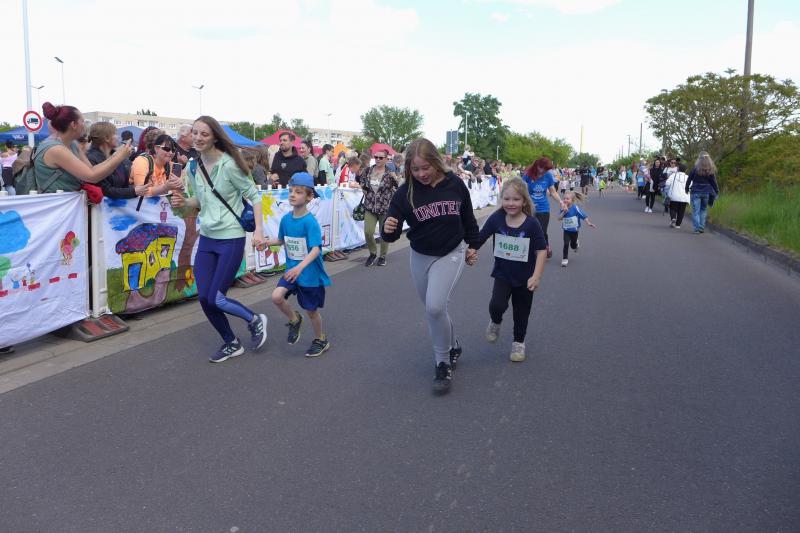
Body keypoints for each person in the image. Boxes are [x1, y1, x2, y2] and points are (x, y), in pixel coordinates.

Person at [382, 138, 479, 394]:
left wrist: (473, 245)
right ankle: (453, 345)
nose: (421, 174)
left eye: (426, 167)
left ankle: (442, 363)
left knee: (435, 307)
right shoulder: (406, 192)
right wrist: (388, 228)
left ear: (436, 162)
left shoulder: (455, 184)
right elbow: (391, 233)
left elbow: (468, 218)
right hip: (420, 255)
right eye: (415, 169)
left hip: (451, 252)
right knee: (435, 309)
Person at [170, 115, 267, 363]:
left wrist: (258, 231)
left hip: (231, 237)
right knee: (204, 298)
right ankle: (231, 342)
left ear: (214, 137)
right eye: (195, 133)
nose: (198, 138)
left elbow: (255, 196)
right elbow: (200, 201)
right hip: (207, 238)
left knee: (217, 297)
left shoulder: (229, 165)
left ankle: (254, 319)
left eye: (204, 134)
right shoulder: (193, 166)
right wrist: (183, 202)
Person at [466, 178, 547, 362]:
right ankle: (495, 321)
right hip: (502, 274)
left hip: (525, 278)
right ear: (501, 199)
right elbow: (481, 237)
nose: (511, 203)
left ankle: (519, 342)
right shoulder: (496, 218)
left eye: (516, 199)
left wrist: (536, 276)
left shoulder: (532, 224)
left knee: (521, 312)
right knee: (496, 305)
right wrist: (472, 250)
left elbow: (542, 250)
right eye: (507, 199)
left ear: (524, 201)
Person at [264, 172, 331, 357]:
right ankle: (294, 319)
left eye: (298, 192)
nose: (292, 195)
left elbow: (316, 249)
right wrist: (266, 242)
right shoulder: (286, 219)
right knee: (277, 297)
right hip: (291, 271)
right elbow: (281, 240)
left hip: (308, 274)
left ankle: (320, 339)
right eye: (291, 191)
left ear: (309, 197)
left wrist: (300, 267)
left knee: (311, 311)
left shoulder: (310, 222)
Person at [28, 102, 133, 193]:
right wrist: (119, 157)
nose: (84, 125)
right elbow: (92, 176)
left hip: (68, 205)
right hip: (56, 206)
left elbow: (91, 169)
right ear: (73, 124)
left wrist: (117, 155)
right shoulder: (55, 149)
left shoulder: (72, 144)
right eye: (82, 121)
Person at [357, 148, 399, 266]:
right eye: (376, 157)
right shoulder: (368, 171)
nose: (378, 159)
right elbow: (362, 182)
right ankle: (373, 253)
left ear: (386, 159)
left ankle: (382, 256)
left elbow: (397, 188)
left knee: (384, 233)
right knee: (368, 231)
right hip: (370, 206)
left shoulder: (390, 173)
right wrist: (365, 191)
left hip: (385, 207)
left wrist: (395, 179)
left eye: (381, 157)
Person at [86, 122, 148, 199]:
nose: (118, 137)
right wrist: (134, 191)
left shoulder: (117, 155)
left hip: (120, 204)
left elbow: (124, 184)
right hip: (104, 206)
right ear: (107, 138)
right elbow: (105, 191)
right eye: (115, 134)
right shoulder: (91, 158)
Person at [522, 157, 565, 259]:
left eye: (546, 170)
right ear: (537, 165)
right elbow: (523, 191)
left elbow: (553, 192)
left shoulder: (548, 175)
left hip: (543, 208)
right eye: (543, 169)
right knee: (529, 230)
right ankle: (531, 249)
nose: (544, 171)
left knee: (542, 230)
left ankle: (545, 246)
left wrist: (560, 201)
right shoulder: (528, 175)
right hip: (529, 208)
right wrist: (528, 203)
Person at [558, 191, 597, 267]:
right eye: (564, 198)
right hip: (566, 230)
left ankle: (576, 244)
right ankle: (565, 259)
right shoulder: (563, 207)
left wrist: (588, 223)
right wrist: (564, 212)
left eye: (567, 199)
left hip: (574, 231)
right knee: (566, 244)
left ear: (572, 200)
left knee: (573, 246)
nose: (565, 200)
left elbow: (583, 215)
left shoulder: (575, 208)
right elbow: (559, 218)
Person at [685, 152, 719, 234]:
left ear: (699, 159)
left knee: (695, 211)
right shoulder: (710, 170)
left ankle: (697, 228)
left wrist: (686, 188)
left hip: (695, 192)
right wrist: (716, 191)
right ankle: (701, 227)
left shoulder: (695, 169)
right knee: (703, 210)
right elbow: (714, 182)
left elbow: (689, 180)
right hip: (706, 192)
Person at [664, 164, 690, 229]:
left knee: (672, 208)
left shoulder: (673, 175)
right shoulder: (688, 177)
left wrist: (667, 190)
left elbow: (667, 183)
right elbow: (690, 187)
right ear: (686, 170)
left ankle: (673, 218)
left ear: (678, 169)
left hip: (674, 195)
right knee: (681, 211)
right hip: (684, 197)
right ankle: (678, 225)